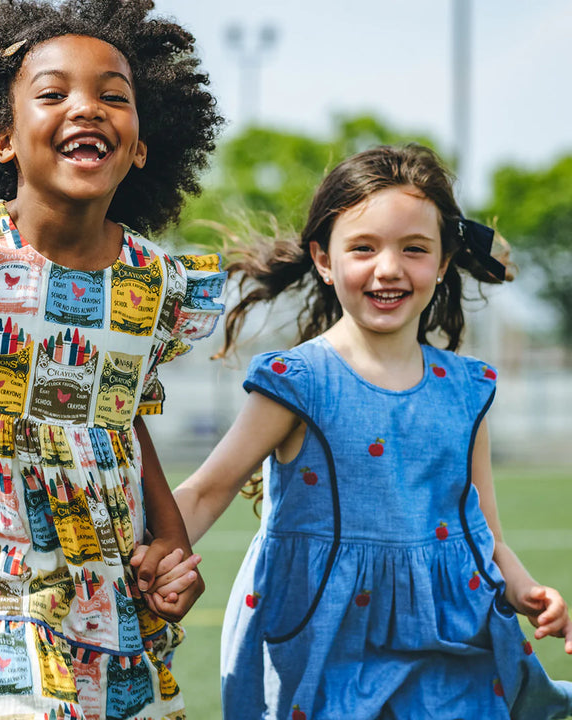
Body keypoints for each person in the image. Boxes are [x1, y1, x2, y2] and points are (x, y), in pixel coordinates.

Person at [0, 1, 225, 718]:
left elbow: (122, 418)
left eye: (113, 96)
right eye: (53, 94)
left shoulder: (154, 285)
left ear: (142, 145)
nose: (87, 108)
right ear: (4, 140)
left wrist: (171, 542)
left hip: (102, 553)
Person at [139, 145, 572, 718]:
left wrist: (521, 589)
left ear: (442, 262)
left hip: (450, 635)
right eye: (363, 248)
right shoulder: (298, 382)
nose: (388, 268)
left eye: (414, 249)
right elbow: (207, 489)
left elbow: (483, 533)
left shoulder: (468, 390)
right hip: (320, 640)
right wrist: (141, 554)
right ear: (324, 258)